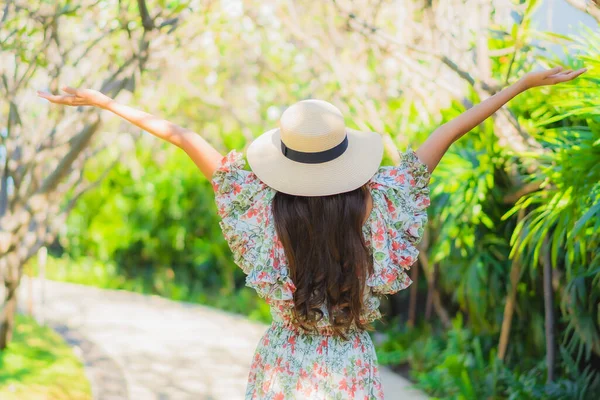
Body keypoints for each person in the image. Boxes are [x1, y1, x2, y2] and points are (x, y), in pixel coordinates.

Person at [38, 65, 586, 399]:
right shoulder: (384, 201)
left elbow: (183, 136)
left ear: (285, 156)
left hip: (282, 365)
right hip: (349, 368)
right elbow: (452, 129)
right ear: (344, 153)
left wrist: (105, 102)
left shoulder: (260, 205)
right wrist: (519, 85)